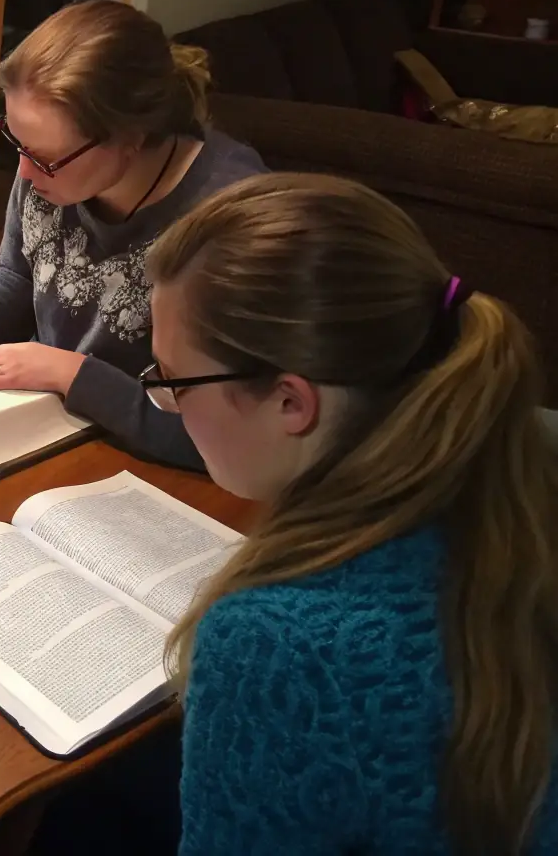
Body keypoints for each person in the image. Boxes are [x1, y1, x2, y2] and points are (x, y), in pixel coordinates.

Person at [143, 174, 558, 853]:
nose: (165, 399)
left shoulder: (278, 644)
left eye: (172, 381)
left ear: (289, 402)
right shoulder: (516, 475)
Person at [0, 0, 266, 470]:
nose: (23, 170)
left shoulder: (231, 221)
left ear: (131, 138)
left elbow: (233, 439)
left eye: (44, 156)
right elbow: (20, 275)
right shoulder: (49, 167)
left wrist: (71, 373)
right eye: (16, 142)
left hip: (161, 474)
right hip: (49, 432)